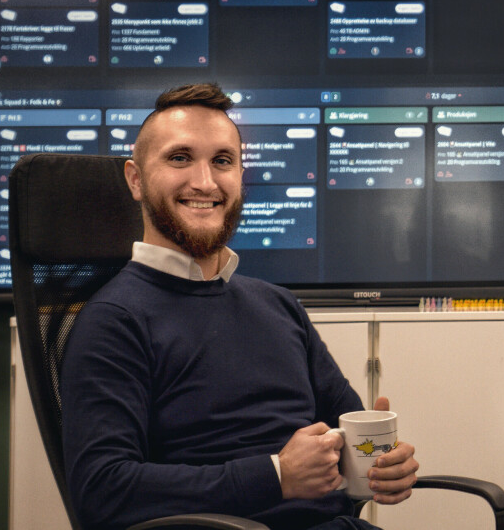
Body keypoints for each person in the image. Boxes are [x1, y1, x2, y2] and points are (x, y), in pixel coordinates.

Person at [60, 83, 418, 530]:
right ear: (135, 179)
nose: (205, 182)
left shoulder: (277, 304)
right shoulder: (113, 320)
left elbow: (346, 440)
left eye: (222, 161)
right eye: (179, 157)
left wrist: (382, 464)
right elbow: (102, 491)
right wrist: (275, 475)